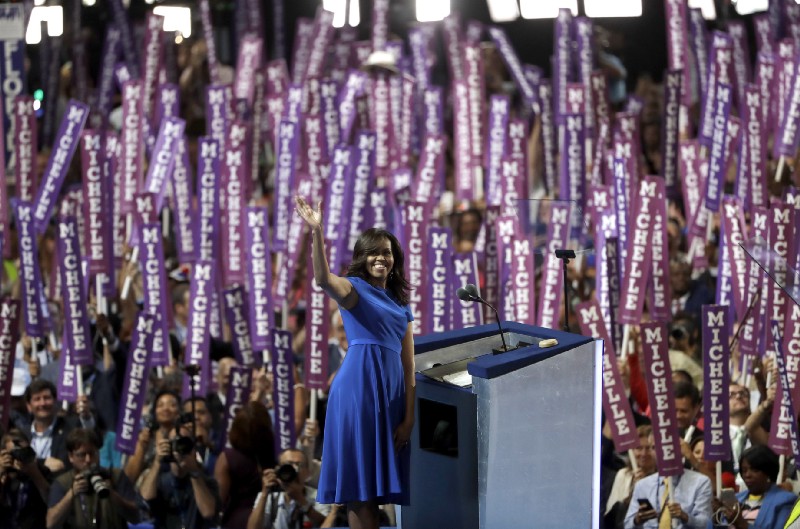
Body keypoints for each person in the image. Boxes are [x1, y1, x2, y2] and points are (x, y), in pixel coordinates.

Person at [295, 196, 415, 529]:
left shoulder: (401, 304)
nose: (381, 257)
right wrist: (316, 233)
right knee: (361, 491)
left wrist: (408, 418)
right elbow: (322, 279)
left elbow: (409, 369)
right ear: (362, 258)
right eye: (374, 252)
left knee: (374, 494)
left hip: (389, 398)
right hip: (359, 392)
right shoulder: (354, 290)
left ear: (395, 260)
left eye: (387, 252)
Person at [46, 428, 139, 529]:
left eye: (92, 453)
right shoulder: (63, 482)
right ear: (71, 457)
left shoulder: (115, 476)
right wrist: (71, 494)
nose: (88, 460)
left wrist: (112, 495)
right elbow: (51, 523)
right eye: (82, 455)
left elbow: (135, 518)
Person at [139, 425, 220, 529]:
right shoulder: (159, 481)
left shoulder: (207, 481)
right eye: (174, 442)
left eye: (184, 442)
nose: (179, 447)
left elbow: (208, 512)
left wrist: (193, 470)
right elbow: (145, 499)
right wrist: (157, 462)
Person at [623, 433, 712, 527]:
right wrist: (637, 520)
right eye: (654, 447)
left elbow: (706, 523)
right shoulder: (642, 485)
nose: (661, 451)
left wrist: (685, 517)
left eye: (666, 445)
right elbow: (627, 524)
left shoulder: (701, 482)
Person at [214, 402, 276, 529]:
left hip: (237, 520)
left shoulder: (228, 458)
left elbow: (219, 500)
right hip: (272, 517)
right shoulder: (274, 454)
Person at [12, 379, 95, 473]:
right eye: (37, 399)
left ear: (55, 401)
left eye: (47, 398)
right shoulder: (22, 434)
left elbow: (90, 435)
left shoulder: (70, 426)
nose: (42, 403)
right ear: (29, 406)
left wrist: (86, 415)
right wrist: (43, 462)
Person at [711, 445, 796, 528]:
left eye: (754, 470)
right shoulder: (736, 499)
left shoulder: (785, 501)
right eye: (744, 470)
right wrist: (717, 518)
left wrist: (743, 525)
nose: (747, 475)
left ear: (768, 472)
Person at [246, 448, 331, 529]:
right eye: (288, 465)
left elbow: (325, 524)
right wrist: (264, 494)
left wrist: (301, 501)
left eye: (299, 465)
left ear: (308, 472)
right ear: (277, 469)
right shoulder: (269, 496)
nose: (293, 469)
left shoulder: (320, 496)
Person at [605, 426, 658, 528]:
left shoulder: (664, 478)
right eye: (639, 448)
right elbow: (613, 511)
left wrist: (644, 487)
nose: (644, 453)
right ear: (632, 451)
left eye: (649, 448)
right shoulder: (624, 475)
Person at [0, 429, 52, 529]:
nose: (19, 456)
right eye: (14, 453)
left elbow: (52, 502)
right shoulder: (4, 474)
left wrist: (34, 472)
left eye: (23, 451)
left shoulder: (42, 471)